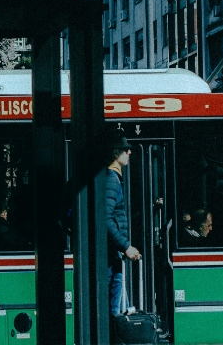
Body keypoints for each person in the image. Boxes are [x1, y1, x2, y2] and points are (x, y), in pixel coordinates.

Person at [105, 130, 141, 319]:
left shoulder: (112, 178)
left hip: (114, 251)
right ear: (114, 153)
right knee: (115, 308)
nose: (129, 153)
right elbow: (106, 218)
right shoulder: (112, 179)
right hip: (114, 251)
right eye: (125, 149)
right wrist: (125, 246)